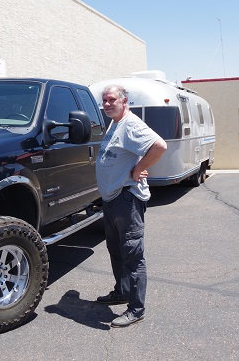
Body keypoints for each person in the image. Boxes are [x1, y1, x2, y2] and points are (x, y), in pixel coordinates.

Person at [95, 84, 167, 327]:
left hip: (126, 199)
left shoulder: (131, 124)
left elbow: (159, 146)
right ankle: (122, 292)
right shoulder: (115, 123)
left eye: (112, 100)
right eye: (104, 100)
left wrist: (139, 169)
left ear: (124, 101)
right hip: (112, 199)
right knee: (116, 250)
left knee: (132, 254)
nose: (107, 104)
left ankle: (136, 309)